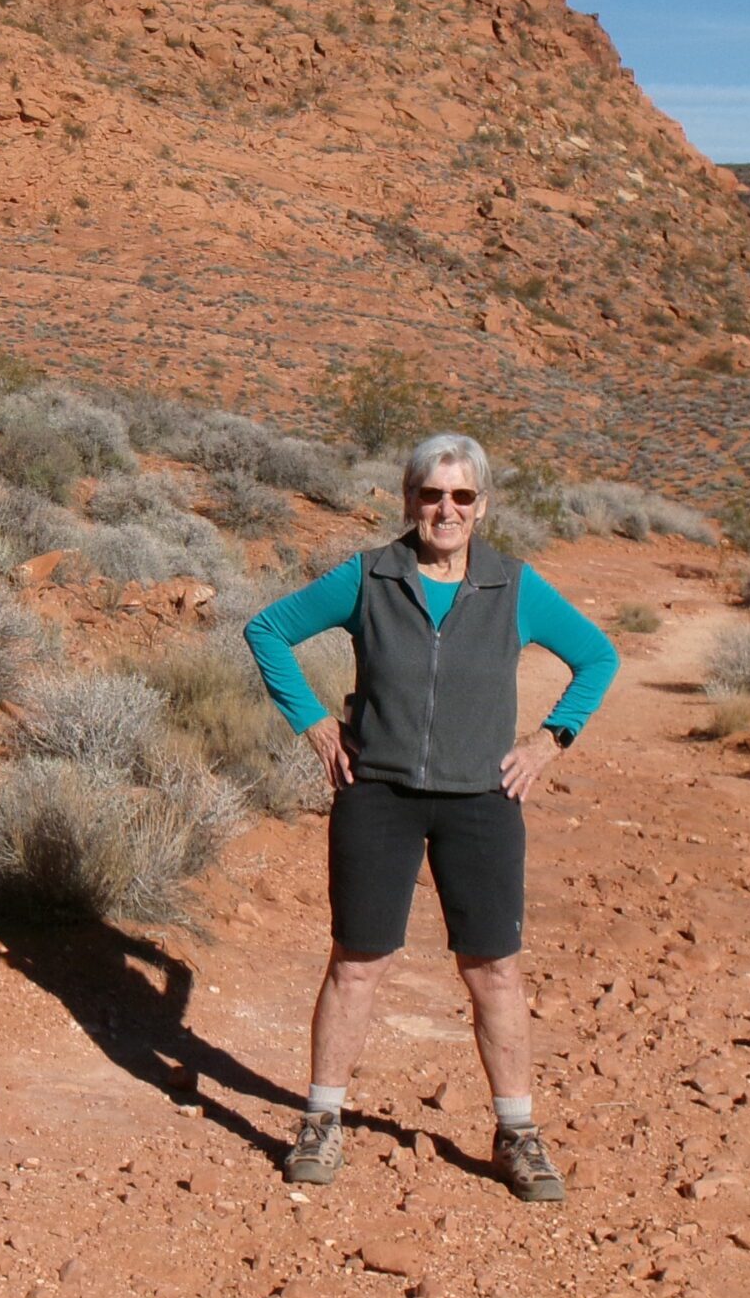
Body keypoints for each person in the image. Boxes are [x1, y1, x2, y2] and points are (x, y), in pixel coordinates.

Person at [242, 432, 618, 1203]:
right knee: (357, 963)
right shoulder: (369, 576)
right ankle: (321, 1119)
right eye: (432, 494)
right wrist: (313, 724)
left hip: (482, 800)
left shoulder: (515, 586)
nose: (447, 509)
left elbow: (598, 657)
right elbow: (267, 630)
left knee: (493, 970)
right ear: (409, 499)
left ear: (482, 506)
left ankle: (517, 1132)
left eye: (462, 496)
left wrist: (548, 742)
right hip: (378, 794)